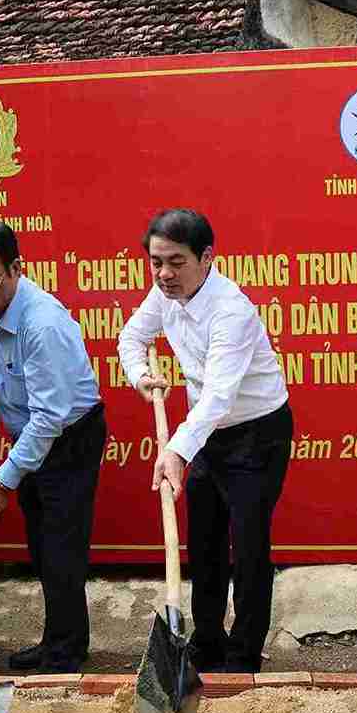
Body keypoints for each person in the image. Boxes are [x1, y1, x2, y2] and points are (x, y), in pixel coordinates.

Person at [117, 209, 293, 674]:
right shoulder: (163, 294)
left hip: (255, 433)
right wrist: (142, 376)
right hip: (205, 433)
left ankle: (244, 652)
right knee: (205, 539)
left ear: (207, 257)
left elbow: (219, 396)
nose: (164, 274)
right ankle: (207, 638)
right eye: (156, 262)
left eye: (175, 261)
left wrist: (175, 449)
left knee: (249, 544)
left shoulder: (230, 309)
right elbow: (131, 338)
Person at [0, 219, 105, 674]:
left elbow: (49, 420)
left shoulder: (43, 324)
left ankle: (66, 653)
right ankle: (57, 639)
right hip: (34, 433)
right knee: (41, 546)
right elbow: (2, 356)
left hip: (67, 439)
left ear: (17, 267)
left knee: (61, 547)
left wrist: (2, 480)